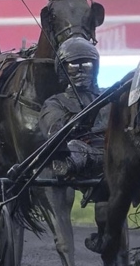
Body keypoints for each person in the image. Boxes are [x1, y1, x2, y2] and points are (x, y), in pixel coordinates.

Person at [41, 37, 109, 180]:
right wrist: (81, 122)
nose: (81, 70)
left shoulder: (110, 96)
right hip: (80, 154)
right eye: (74, 64)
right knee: (72, 148)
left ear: (95, 67)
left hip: (116, 149)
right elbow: (55, 132)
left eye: (86, 64)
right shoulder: (55, 103)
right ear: (63, 69)